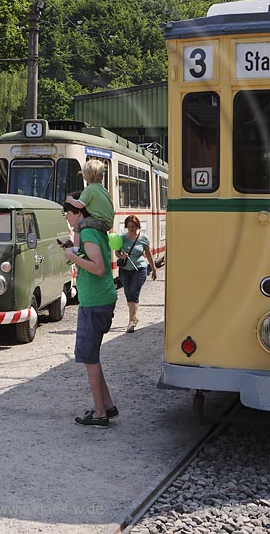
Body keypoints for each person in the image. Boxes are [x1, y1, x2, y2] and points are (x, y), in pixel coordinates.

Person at [63, 194, 118, 428]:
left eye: (67, 212)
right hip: (99, 299)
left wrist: (72, 256)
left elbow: (98, 267)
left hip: (95, 301)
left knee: (89, 357)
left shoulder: (86, 233)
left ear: (78, 213)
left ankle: (99, 413)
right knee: (92, 355)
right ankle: (107, 405)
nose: (66, 216)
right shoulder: (94, 231)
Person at [117, 214, 157, 333]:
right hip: (125, 270)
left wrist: (154, 269)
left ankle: (131, 321)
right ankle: (134, 317)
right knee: (128, 293)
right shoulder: (122, 238)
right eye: (129, 227)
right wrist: (122, 256)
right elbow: (116, 253)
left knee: (133, 293)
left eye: (133, 227)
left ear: (137, 226)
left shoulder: (144, 238)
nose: (131, 229)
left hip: (139, 269)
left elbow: (148, 254)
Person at [72, 159, 114, 251]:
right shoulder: (102, 189)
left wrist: (70, 200)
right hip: (108, 222)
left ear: (85, 176)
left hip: (100, 221)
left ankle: (76, 250)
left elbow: (80, 205)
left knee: (78, 225)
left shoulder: (89, 189)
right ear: (102, 176)